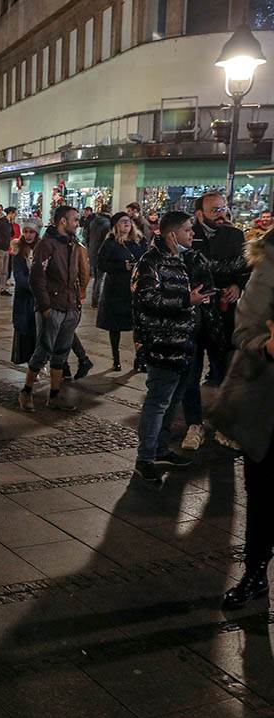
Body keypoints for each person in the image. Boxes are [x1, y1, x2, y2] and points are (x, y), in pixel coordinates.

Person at [131, 211, 212, 485]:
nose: (192, 234)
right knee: (157, 402)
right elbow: (147, 299)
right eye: (188, 230)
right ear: (171, 234)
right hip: (164, 344)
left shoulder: (180, 259)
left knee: (172, 401)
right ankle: (145, 458)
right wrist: (187, 299)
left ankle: (160, 449)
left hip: (184, 344)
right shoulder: (151, 261)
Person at [222, 227, 274, 607]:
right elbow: (244, 331)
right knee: (264, 492)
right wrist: (267, 344)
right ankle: (255, 572)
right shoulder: (271, 263)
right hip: (268, 402)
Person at [185, 191, 250, 450]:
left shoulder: (235, 235)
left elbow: (244, 266)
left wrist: (237, 283)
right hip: (195, 316)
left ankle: (225, 426)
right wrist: (224, 270)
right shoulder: (188, 235)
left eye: (223, 208)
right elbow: (189, 268)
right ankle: (193, 424)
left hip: (224, 316)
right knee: (190, 373)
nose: (221, 214)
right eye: (215, 210)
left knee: (225, 371)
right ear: (200, 213)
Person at [18, 205, 82, 412]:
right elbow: (37, 278)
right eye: (75, 220)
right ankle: (26, 392)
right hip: (52, 306)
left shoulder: (72, 243)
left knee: (62, 352)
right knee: (43, 350)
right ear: (63, 221)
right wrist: (45, 307)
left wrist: (76, 304)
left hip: (69, 306)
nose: (77, 223)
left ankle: (54, 395)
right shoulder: (47, 245)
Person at [96, 212, 147, 371]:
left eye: (128, 221)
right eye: (122, 221)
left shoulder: (140, 241)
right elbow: (101, 264)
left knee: (139, 326)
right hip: (116, 290)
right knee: (115, 326)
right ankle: (116, 359)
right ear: (115, 225)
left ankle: (140, 359)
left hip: (136, 288)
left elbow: (147, 259)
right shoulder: (110, 243)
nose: (127, 223)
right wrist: (121, 267)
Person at [10, 217, 42, 365]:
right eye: (26, 232)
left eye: (31, 232)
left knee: (39, 330)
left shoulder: (42, 249)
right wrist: (35, 286)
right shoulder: (19, 251)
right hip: (24, 298)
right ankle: (29, 361)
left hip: (39, 298)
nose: (28, 235)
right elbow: (18, 276)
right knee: (25, 330)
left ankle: (38, 362)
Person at [87, 206, 112, 308]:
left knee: (97, 278)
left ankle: (94, 300)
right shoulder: (107, 224)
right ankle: (96, 301)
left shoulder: (93, 222)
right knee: (100, 279)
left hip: (92, 252)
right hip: (101, 253)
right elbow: (106, 241)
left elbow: (88, 237)